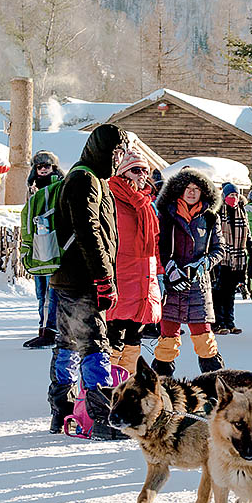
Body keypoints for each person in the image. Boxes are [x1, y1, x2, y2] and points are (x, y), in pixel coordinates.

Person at [47, 124, 129, 436]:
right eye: (115, 152)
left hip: (71, 279)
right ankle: (101, 417)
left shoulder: (91, 179)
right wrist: (104, 277)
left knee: (68, 343)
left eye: (121, 154)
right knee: (95, 343)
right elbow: (89, 233)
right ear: (100, 150)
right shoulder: (85, 180)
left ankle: (63, 410)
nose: (118, 159)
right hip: (82, 279)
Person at [153, 167, 226, 376]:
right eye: (187, 188)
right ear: (179, 190)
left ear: (203, 191)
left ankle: (215, 386)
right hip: (172, 284)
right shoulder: (166, 215)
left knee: (204, 339)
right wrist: (169, 268)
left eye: (196, 188)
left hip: (198, 286)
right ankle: (161, 385)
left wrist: (202, 265)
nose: (191, 192)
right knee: (167, 339)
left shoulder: (210, 217)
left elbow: (219, 249)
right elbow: (159, 245)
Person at [106, 149, 161, 376]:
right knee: (113, 335)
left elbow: (155, 243)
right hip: (120, 275)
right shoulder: (111, 199)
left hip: (143, 277)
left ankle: (126, 385)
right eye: (135, 170)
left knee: (134, 336)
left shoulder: (146, 204)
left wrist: (159, 273)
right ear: (124, 173)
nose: (141, 175)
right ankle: (105, 386)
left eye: (145, 170)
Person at [23, 150, 66, 349]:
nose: (42, 170)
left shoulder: (59, 187)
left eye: (47, 166)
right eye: (39, 166)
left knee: (51, 292)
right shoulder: (33, 189)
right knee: (41, 292)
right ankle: (43, 327)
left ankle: (51, 331)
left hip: (52, 244)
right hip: (38, 244)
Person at [212, 182, 252, 335]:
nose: (234, 198)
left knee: (230, 293)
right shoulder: (217, 212)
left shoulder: (241, 212)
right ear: (224, 196)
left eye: (236, 195)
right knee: (218, 293)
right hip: (221, 258)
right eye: (231, 195)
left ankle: (230, 322)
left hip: (236, 259)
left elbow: (247, 235)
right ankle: (218, 323)